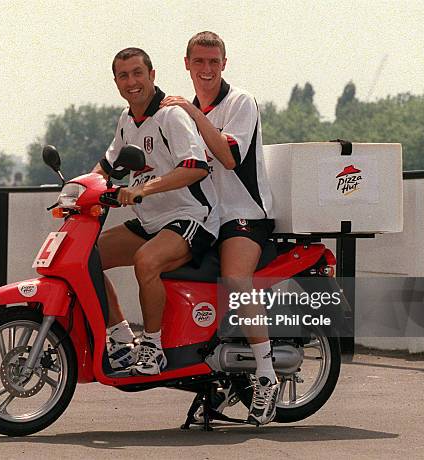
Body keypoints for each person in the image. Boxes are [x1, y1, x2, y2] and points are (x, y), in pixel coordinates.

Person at [161, 31, 279, 425]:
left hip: (244, 214)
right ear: (187, 63)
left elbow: (228, 157)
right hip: (206, 216)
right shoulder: (179, 110)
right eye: (199, 61)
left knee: (234, 278)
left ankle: (266, 374)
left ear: (224, 64)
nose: (207, 69)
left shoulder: (240, 102)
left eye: (214, 61)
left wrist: (195, 114)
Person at [92, 47, 218, 376]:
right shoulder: (126, 120)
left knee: (146, 260)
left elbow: (196, 168)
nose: (131, 81)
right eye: (123, 75)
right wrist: (77, 191)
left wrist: (141, 189)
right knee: (88, 257)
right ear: (116, 82)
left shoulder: (170, 116)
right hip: (153, 221)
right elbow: (105, 168)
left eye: (137, 73)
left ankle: (153, 347)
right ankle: (120, 338)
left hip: (193, 217)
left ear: (152, 75)